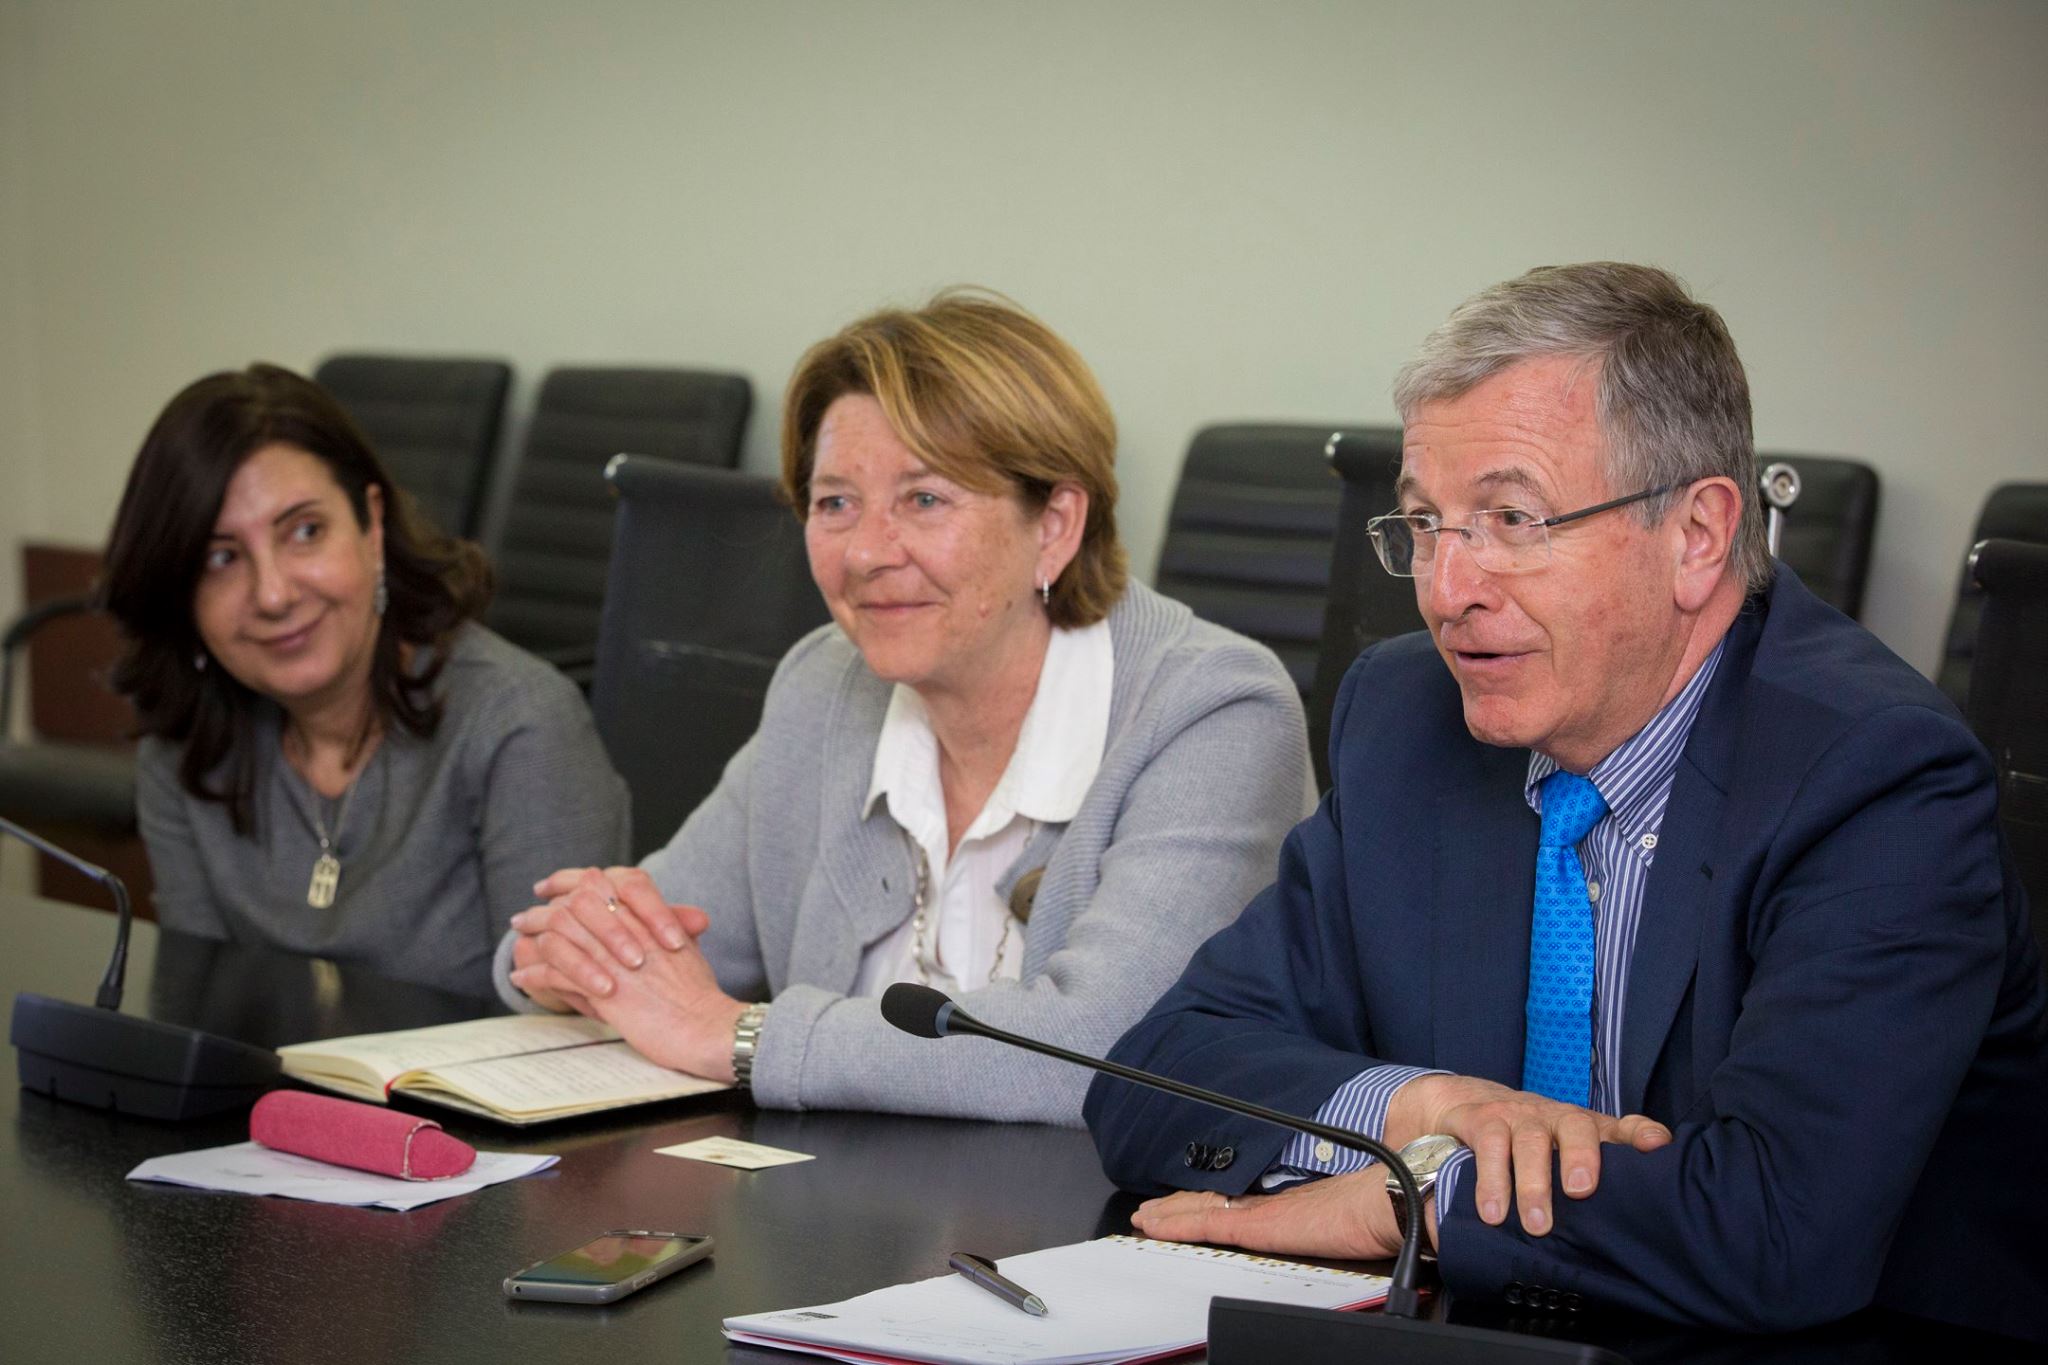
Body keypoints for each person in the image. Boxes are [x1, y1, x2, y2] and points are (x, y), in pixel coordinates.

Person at [1086, 263, 2048, 1342]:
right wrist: (1421, 1108)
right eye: (1425, 524)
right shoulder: (1407, 718)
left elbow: (1775, 1227)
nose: (1447, 591)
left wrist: (1415, 1196)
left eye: (1511, 518)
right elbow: (1153, 1073)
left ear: (1696, 535)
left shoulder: (1875, 777)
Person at [498, 290, 1312, 1124]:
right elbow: (652, 944)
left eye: (924, 499)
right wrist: (569, 950)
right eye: (834, 502)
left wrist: (739, 1037)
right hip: (825, 1196)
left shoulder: (1216, 712)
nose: (864, 553)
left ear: (1055, 525)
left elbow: (1108, 1053)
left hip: (1097, 1206)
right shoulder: (823, 682)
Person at [103, 364, 629, 998]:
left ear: (372, 526)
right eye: (222, 557)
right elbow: (195, 1011)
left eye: (305, 532)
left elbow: (567, 1029)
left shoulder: (520, 722)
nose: (273, 594)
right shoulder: (184, 746)